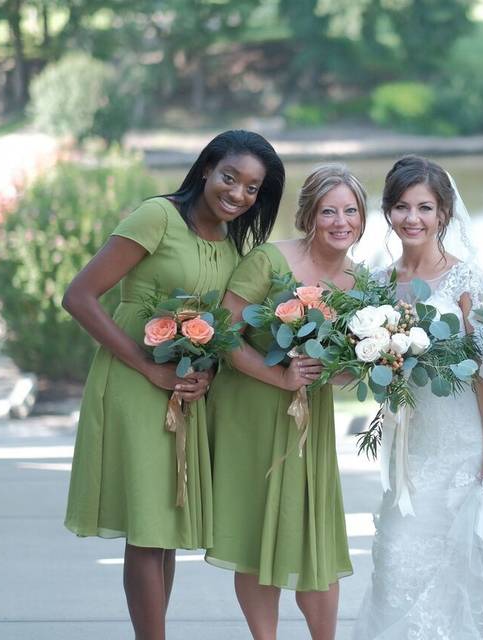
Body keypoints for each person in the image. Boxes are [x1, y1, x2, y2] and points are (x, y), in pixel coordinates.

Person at [63, 130, 285, 639]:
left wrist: (203, 373)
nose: (238, 194)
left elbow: (218, 329)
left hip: (183, 391)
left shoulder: (232, 245)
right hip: (133, 382)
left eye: (253, 189)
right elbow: (80, 297)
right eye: (230, 177)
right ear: (206, 168)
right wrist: (149, 369)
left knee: (161, 533)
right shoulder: (157, 217)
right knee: (146, 533)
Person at [353, 155, 483, 640]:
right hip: (410, 443)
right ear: (388, 212)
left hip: (463, 444)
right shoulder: (376, 282)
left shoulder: (466, 279)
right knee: (399, 559)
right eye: (402, 207)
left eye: (425, 208)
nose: (413, 218)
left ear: (443, 215)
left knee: (470, 568)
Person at [204, 163, 366, 640]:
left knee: (314, 535)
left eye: (351, 211)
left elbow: (348, 365)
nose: (341, 222)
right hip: (251, 412)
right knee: (257, 535)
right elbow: (224, 333)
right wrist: (280, 375)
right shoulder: (267, 262)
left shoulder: (360, 281)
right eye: (328, 211)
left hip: (308, 419)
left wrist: (346, 370)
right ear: (308, 216)